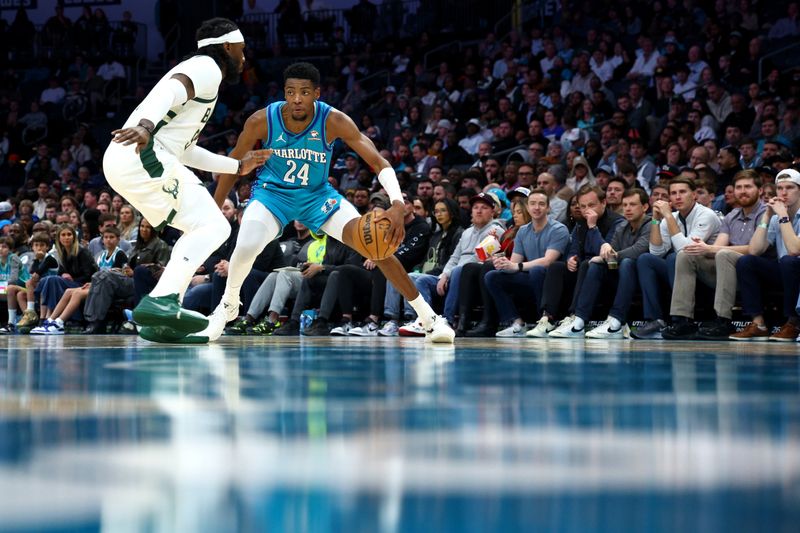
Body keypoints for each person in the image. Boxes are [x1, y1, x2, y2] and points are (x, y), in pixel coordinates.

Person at [206, 62, 454, 343]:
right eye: (290, 92)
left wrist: (397, 203)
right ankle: (227, 306)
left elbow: (376, 160)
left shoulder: (334, 120)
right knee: (247, 243)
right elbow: (232, 165)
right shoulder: (261, 120)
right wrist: (215, 211)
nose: (297, 98)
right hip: (272, 194)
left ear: (317, 94)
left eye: (304, 92)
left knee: (377, 244)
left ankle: (429, 318)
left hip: (318, 196)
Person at [102, 18, 270, 343]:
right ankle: (162, 301)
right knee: (215, 226)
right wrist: (147, 126)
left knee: (201, 226)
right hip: (143, 151)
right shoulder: (206, 66)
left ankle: (162, 319)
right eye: (241, 49)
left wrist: (237, 166)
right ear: (226, 47)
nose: (245, 57)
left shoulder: (205, 73)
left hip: (138, 156)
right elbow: (172, 86)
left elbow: (187, 151)